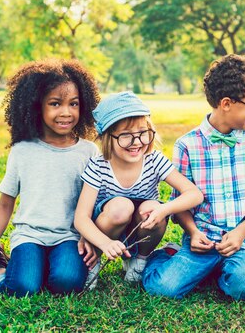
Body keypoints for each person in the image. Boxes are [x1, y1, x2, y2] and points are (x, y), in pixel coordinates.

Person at [142, 54, 245, 301]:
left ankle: (221, 270)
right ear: (226, 103)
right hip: (202, 238)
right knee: (162, 289)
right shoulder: (187, 145)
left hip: (244, 239)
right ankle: (167, 255)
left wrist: (240, 233)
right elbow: (180, 202)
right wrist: (192, 232)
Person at [0, 59, 100, 297]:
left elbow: (93, 203)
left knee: (67, 283)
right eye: (55, 103)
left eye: (74, 104)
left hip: (69, 236)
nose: (66, 112)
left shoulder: (89, 152)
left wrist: (89, 237)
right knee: (23, 288)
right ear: (36, 106)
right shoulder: (23, 150)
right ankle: (0, 269)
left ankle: (46, 266)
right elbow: (5, 204)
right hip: (29, 235)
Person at [74, 91, 203, 288]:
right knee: (121, 207)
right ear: (107, 137)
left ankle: (140, 260)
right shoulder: (99, 165)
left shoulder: (154, 160)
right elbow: (81, 217)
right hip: (107, 228)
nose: (137, 143)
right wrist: (103, 243)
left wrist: (164, 209)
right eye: (126, 136)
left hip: (141, 227)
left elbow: (194, 194)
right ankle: (94, 261)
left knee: (151, 207)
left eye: (143, 133)